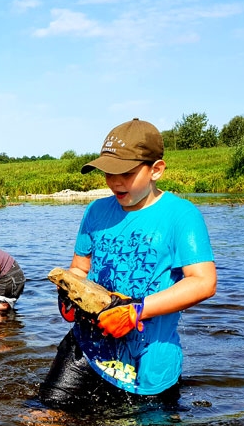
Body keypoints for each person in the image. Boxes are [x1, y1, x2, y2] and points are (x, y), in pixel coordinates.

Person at [39, 118, 217, 410]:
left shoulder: (182, 216)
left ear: (156, 170)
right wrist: (68, 296)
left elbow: (204, 282)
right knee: (44, 421)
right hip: (86, 348)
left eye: (126, 173)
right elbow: (80, 268)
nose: (115, 182)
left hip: (147, 360)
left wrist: (136, 310)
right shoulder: (96, 211)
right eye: (108, 173)